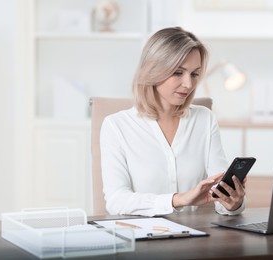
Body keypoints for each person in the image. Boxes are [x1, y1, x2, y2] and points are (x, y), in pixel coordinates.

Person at [100, 27, 246, 217]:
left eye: (194, 74)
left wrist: (233, 203)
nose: (188, 84)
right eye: (178, 72)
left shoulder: (204, 119)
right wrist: (178, 199)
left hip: (196, 240)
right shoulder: (116, 126)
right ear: (153, 70)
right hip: (143, 239)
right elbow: (116, 201)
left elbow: (220, 193)